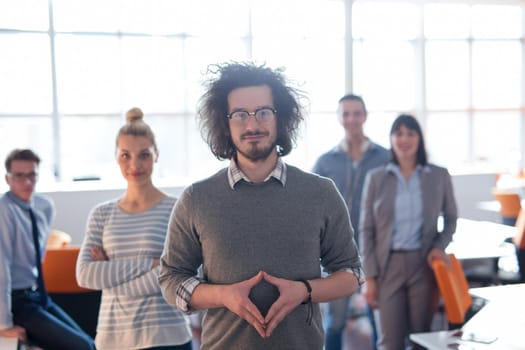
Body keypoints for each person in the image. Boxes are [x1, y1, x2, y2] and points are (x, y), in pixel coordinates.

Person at [158, 62, 364, 350]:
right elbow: (170, 278)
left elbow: (351, 274)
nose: (253, 124)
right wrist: (223, 296)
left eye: (264, 112)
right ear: (224, 122)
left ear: (281, 119)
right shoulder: (196, 198)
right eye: (240, 114)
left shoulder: (320, 192)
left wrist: (303, 291)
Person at [76, 108, 192, 350]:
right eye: (126, 155)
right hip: (113, 339)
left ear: (156, 155)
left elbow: (175, 276)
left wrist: (109, 277)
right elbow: (85, 274)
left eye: (144, 155)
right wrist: (150, 265)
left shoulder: (177, 209)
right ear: (116, 157)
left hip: (167, 337)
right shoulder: (102, 214)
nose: (135, 164)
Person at [360, 114, 458, 350]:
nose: (404, 139)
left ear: (419, 139)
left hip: (423, 265)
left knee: (421, 339)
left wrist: (438, 246)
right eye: (399, 133)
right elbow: (366, 230)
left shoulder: (438, 175)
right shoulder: (376, 178)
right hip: (387, 266)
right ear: (391, 139)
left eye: (410, 133)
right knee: (389, 341)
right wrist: (370, 277)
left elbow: (451, 218)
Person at [312, 94, 388, 350]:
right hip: (337, 253)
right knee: (335, 322)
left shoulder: (385, 158)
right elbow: (311, 206)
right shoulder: (325, 161)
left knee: (378, 318)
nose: (351, 119)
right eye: (346, 114)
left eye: (356, 113)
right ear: (339, 118)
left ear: (365, 116)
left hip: (375, 249)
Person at [0, 148, 95, 350]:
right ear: (7, 178)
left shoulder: (44, 206)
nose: (27, 182)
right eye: (19, 176)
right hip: (17, 301)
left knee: (91, 343)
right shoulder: (4, 210)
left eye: (32, 175)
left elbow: (38, 254)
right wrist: (4, 324)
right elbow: (2, 270)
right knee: (82, 347)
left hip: (39, 294)